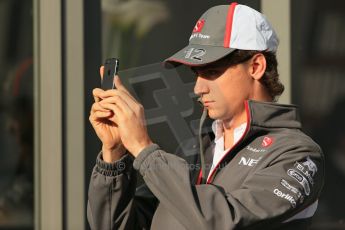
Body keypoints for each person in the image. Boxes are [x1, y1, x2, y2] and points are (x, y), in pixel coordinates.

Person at [87, 3, 324, 229]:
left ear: (256, 67)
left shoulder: (298, 154)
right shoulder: (195, 149)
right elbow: (113, 224)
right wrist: (114, 157)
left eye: (212, 71)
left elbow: (221, 221)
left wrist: (143, 148)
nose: (198, 88)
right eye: (197, 73)